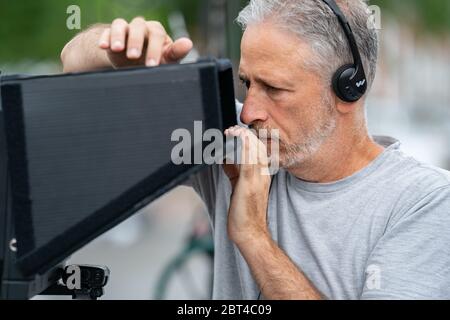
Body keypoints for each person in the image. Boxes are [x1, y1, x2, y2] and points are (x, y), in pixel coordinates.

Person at [61, 0, 450, 300]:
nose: (249, 111)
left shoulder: (425, 201)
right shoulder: (229, 141)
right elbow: (73, 69)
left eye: (275, 89)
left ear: (349, 88)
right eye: (247, 83)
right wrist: (115, 46)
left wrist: (252, 234)